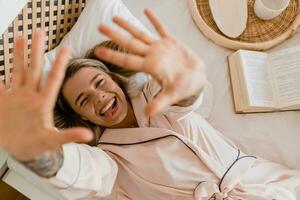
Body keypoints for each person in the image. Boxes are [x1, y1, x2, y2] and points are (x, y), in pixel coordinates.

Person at [0, 9, 299, 200]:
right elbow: (83, 172)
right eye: (83, 100)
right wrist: (41, 154)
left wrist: (186, 77)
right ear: (80, 117)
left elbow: (181, 95)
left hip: (269, 184)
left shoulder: (154, 97)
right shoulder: (108, 158)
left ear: (115, 80)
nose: (99, 97)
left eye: (100, 83)